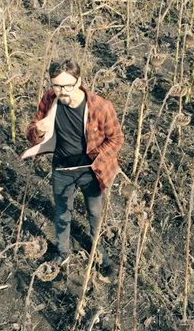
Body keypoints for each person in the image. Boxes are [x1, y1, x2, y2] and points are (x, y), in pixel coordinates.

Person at [21, 59, 124, 271]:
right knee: (61, 213)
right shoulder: (49, 100)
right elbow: (32, 136)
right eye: (57, 85)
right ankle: (62, 252)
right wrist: (39, 129)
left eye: (68, 85)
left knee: (95, 213)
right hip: (62, 169)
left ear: (79, 81)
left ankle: (97, 250)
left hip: (92, 171)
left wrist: (96, 158)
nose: (62, 91)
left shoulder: (101, 107)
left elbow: (117, 139)